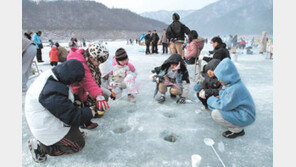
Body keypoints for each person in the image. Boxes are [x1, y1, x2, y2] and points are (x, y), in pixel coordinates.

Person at [25, 60, 100, 163]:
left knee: (77, 113)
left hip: (51, 116)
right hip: (45, 126)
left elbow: (66, 101)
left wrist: (79, 102)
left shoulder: (56, 75)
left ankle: (65, 138)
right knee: (78, 145)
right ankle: (41, 147)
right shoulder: (51, 90)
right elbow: (71, 117)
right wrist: (92, 111)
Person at [207, 58, 256, 138]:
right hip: (240, 111)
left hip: (245, 116)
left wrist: (211, 100)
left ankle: (237, 130)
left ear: (228, 76)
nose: (218, 80)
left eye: (221, 78)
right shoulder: (232, 83)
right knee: (216, 108)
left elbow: (224, 105)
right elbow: (227, 97)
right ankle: (234, 123)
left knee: (216, 114)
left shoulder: (235, 88)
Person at [67, 43, 110, 129]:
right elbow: (87, 80)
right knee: (79, 107)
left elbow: (95, 80)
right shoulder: (80, 62)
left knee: (86, 104)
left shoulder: (88, 60)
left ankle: (87, 120)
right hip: (75, 90)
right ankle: (81, 125)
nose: (99, 64)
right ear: (92, 57)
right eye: (99, 61)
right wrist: (98, 95)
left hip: (83, 89)